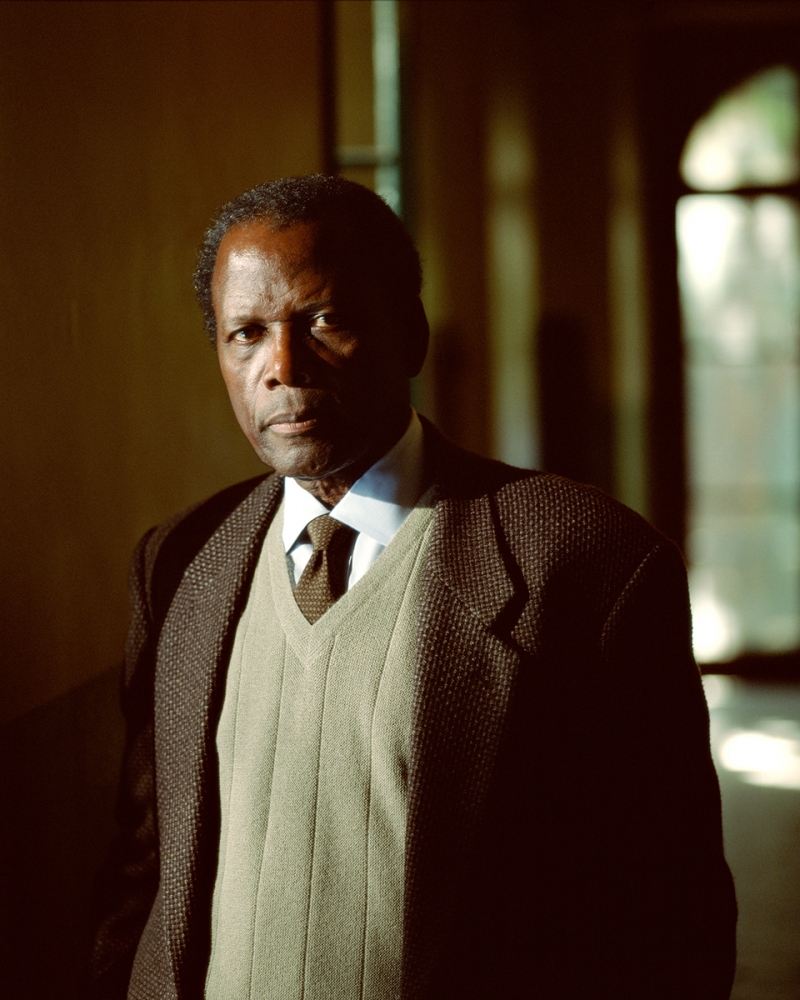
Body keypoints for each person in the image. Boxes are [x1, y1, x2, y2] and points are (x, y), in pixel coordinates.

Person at [89, 174, 736, 1000]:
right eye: (245, 334)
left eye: (324, 320)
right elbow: (144, 869)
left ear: (412, 335)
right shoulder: (181, 561)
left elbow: (669, 911)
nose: (281, 367)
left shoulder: (587, 562)